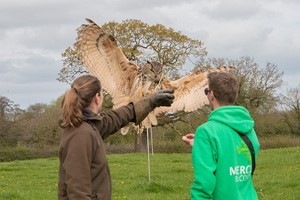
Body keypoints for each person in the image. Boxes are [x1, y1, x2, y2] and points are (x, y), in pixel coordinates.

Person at [57, 74, 174, 200]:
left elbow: (116, 117)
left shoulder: (88, 125)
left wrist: (150, 102)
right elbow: (77, 192)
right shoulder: (81, 135)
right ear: (97, 97)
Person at [182, 72, 260, 200]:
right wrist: (200, 146)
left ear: (211, 95)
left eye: (206, 91)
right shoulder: (249, 128)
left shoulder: (206, 132)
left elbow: (204, 184)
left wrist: (204, 143)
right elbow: (235, 157)